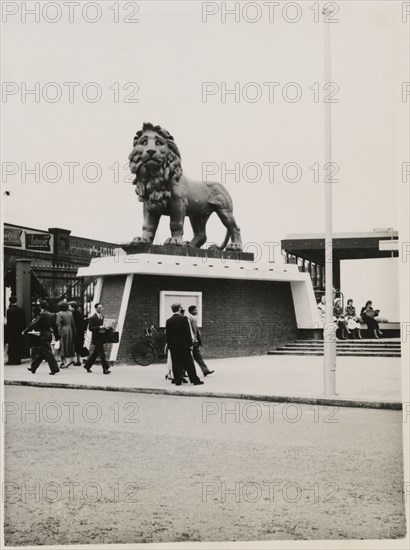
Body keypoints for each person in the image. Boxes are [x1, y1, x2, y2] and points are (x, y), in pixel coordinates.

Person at [165, 303, 203, 386]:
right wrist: (190, 344)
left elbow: (167, 335)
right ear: (179, 309)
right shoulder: (184, 319)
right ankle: (194, 380)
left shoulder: (168, 320)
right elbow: (188, 333)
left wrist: (169, 345)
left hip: (173, 345)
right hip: (183, 345)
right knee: (189, 362)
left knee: (175, 363)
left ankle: (178, 381)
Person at [22, 300, 60, 375]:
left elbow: (34, 324)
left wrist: (26, 331)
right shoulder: (50, 314)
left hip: (44, 334)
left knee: (48, 353)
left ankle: (55, 368)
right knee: (41, 353)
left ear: (40, 307)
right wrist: (57, 337)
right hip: (49, 334)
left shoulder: (42, 314)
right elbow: (55, 327)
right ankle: (33, 367)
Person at [83, 303, 111, 374]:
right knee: (102, 354)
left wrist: (107, 327)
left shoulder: (102, 317)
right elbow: (90, 328)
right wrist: (99, 327)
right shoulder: (93, 318)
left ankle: (87, 365)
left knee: (95, 354)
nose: (101, 309)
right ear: (96, 308)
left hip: (101, 338)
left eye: (102, 307)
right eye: (100, 308)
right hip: (96, 338)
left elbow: (104, 325)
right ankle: (105, 368)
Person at [187, 305, 214, 376]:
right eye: (195, 310)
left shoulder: (193, 318)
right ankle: (183, 372)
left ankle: (205, 370)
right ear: (191, 311)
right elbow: (192, 330)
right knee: (190, 357)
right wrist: (194, 339)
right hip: (193, 341)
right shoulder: (190, 318)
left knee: (198, 356)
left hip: (195, 341)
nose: (197, 311)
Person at [6, 296, 26, 365]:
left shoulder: (9, 311)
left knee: (11, 345)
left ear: (10, 301)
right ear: (16, 301)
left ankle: (11, 360)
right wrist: (23, 330)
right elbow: (24, 321)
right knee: (18, 344)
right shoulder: (21, 310)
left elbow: (8, 322)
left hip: (11, 331)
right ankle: (18, 360)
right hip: (19, 330)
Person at [56, 301, 76, 368]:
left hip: (63, 330)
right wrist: (75, 332)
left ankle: (63, 362)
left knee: (62, 346)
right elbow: (73, 323)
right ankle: (68, 361)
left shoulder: (60, 313)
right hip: (70, 330)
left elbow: (57, 323)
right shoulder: (70, 313)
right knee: (69, 346)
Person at [69, 301, 85, 365]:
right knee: (78, 347)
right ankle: (78, 360)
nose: (69, 308)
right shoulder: (79, 313)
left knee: (74, 346)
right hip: (80, 332)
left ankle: (74, 360)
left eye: (69, 306)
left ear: (73, 307)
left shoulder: (72, 314)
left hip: (75, 332)